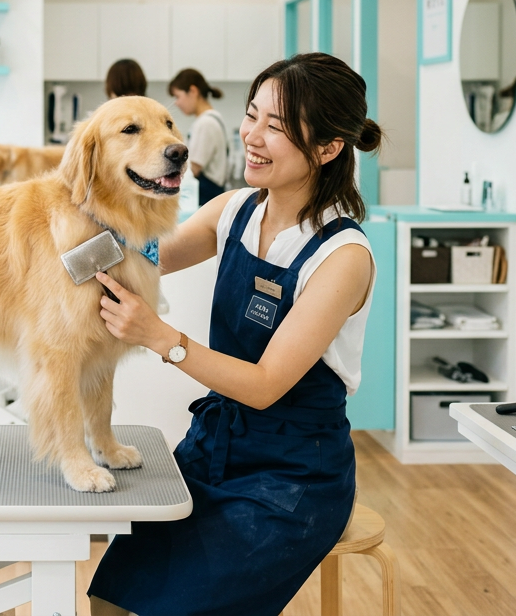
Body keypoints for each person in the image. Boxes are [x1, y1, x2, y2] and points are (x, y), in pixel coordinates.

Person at [86, 52, 384, 616]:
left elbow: (266, 384)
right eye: (252, 115)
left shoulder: (342, 257)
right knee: (109, 597)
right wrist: (62, 227)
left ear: (327, 148)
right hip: (214, 448)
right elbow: (145, 255)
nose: (252, 135)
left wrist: (159, 336)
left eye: (277, 126)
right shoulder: (236, 210)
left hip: (294, 476)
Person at [168, 68, 230, 206]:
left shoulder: (205, 123)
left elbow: (193, 169)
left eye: (178, 96)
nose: (176, 103)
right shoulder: (214, 118)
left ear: (193, 91)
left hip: (207, 197)